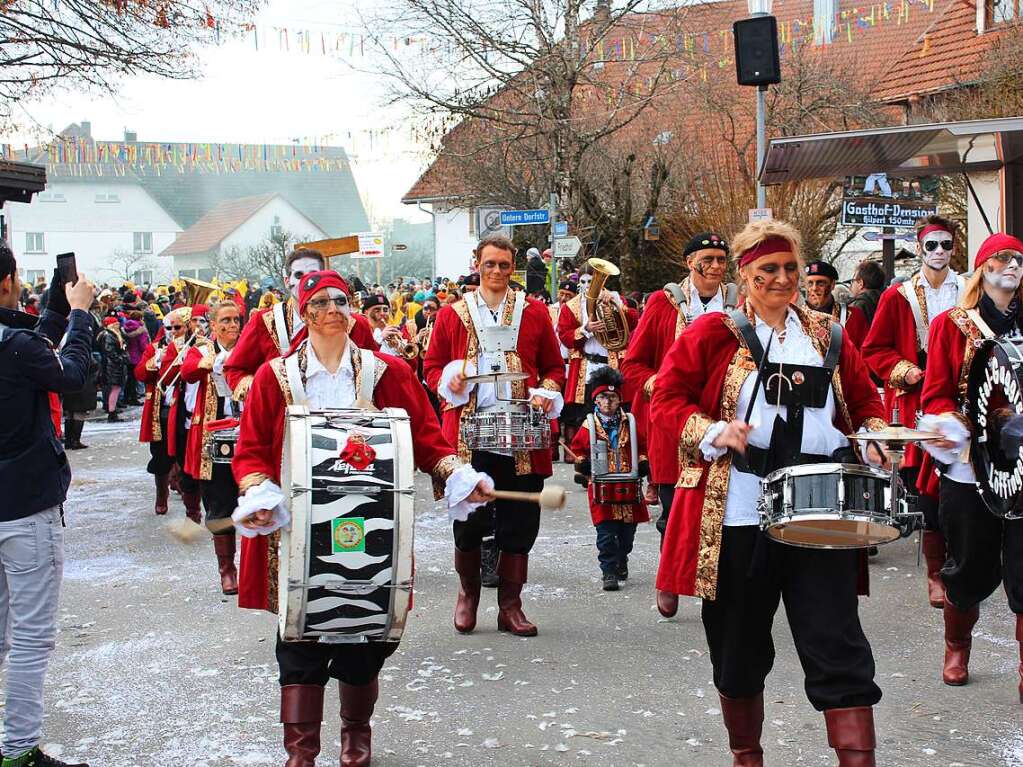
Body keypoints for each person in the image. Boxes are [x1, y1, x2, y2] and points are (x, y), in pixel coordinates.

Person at [652, 220, 889, 767]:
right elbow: (665, 398)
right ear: (745, 274)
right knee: (738, 649)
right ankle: (746, 754)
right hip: (737, 514)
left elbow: (864, 401)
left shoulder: (828, 334)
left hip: (821, 513)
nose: (781, 279)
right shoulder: (712, 332)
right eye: (767, 271)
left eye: (789, 268)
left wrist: (874, 440)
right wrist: (713, 431)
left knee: (839, 647)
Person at [231, 270, 492, 766]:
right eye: (321, 302)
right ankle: (301, 754)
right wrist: (257, 490)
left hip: (373, 526)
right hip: (301, 533)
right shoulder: (275, 377)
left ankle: (356, 734)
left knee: (364, 638)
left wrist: (459, 475)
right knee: (300, 637)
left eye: (341, 301)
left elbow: (429, 439)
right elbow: (251, 452)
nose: (333, 309)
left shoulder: (385, 372)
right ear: (303, 313)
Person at [424, 234, 565, 637]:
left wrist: (547, 393)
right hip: (471, 434)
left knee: (520, 522)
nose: (498, 272)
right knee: (469, 520)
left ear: (513, 266)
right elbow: (432, 367)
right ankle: (468, 595)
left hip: (523, 433)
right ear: (477, 264)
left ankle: (510, 606)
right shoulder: (453, 315)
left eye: (505, 265)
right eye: (490, 265)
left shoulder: (535, 313)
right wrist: (453, 378)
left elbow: (555, 368)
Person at [915, 232, 1023, 699]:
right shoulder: (952, 324)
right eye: (1002, 258)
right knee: (971, 564)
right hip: (969, 465)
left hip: (1022, 466)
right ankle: (957, 644)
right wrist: (952, 423)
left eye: (1019, 259)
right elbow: (936, 390)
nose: (1013, 265)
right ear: (982, 269)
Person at [0, 243, 94, 767]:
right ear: (8, 281)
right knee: (31, 640)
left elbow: (30, 351)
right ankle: (18, 751)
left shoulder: (16, 344)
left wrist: (55, 312)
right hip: (25, 507)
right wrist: (79, 314)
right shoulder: (14, 348)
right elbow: (71, 376)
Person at [620, 232, 736, 617]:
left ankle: (713, 581)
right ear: (690, 263)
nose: (717, 266)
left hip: (723, 423)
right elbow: (633, 364)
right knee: (674, 510)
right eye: (709, 259)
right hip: (674, 425)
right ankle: (669, 578)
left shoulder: (738, 305)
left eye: (722, 259)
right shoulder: (663, 303)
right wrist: (658, 385)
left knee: (721, 507)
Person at [863, 215, 965, 610]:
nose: (939, 252)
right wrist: (904, 370)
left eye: (946, 244)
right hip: (917, 397)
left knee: (963, 480)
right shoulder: (899, 295)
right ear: (920, 248)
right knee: (927, 487)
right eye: (932, 245)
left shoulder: (968, 288)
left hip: (961, 398)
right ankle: (936, 571)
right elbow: (873, 349)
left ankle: (962, 562)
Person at [224, 249, 377, 399]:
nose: (305, 282)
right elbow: (235, 370)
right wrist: (260, 391)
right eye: (299, 275)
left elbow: (376, 373)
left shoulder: (355, 324)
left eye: (312, 275)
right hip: (283, 419)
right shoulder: (265, 321)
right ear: (287, 281)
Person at [179, 300, 244, 595]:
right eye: (226, 321)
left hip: (247, 437)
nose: (233, 326)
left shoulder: (248, 350)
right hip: (214, 442)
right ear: (214, 325)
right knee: (219, 507)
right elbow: (188, 370)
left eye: (236, 320)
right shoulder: (202, 350)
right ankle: (227, 569)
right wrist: (210, 362)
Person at [570, 367, 650, 591]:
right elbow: (578, 450)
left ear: (619, 400)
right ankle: (608, 571)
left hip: (628, 485)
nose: (608, 402)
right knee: (606, 533)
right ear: (596, 400)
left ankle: (621, 558)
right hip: (602, 487)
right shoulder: (589, 425)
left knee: (627, 534)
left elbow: (642, 446)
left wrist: (643, 462)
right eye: (603, 397)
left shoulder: (630, 422)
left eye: (612, 398)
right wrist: (582, 464)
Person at [557, 262, 638, 449]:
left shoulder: (615, 299)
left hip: (613, 364)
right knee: (587, 412)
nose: (588, 286)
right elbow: (565, 336)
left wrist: (617, 305)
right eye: (584, 281)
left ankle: (618, 448)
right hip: (587, 367)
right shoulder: (571, 306)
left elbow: (633, 321)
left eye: (592, 281)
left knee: (617, 409)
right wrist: (586, 329)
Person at [134, 307, 196, 518]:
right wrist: (156, 361)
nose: (172, 331)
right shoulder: (154, 348)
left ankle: (192, 506)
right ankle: (161, 495)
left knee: (187, 457)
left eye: (177, 327)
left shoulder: (195, 346)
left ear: (187, 327)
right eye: (168, 327)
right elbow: (140, 373)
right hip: (161, 411)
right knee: (160, 458)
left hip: (186, 411)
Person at [803, 260, 870, 348]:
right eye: (810, 283)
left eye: (821, 283)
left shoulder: (852, 316)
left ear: (832, 285)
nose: (814, 288)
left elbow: (865, 354)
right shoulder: (794, 318)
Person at [97, 316, 130, 422]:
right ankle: (112, 412)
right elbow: (110, 351)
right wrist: (121, 359)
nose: (118, 325)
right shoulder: (109, 336)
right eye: (116, 324)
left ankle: (112, 410)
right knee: (114, 389)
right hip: (113, 366)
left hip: (113, 365)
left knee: (115, 389)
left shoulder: (112, 334)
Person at [848, 259, 886, 326]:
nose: (851, 285)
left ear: (860, 283)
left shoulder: (856, 307)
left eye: (852, 281)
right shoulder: (888, 302)